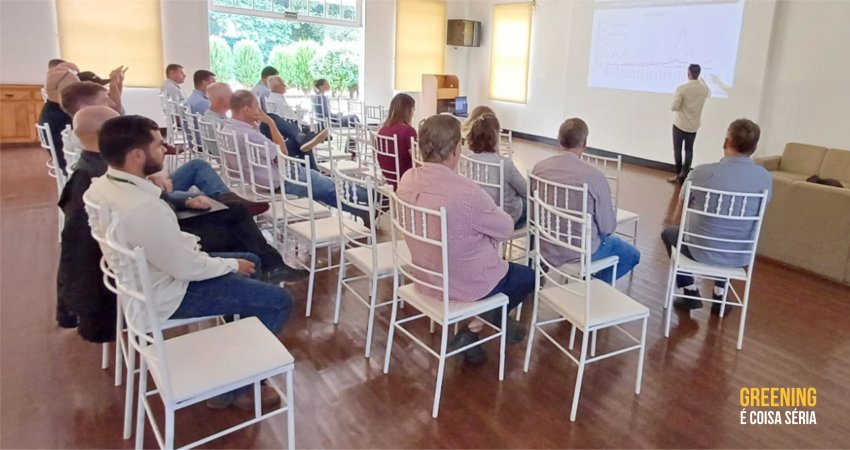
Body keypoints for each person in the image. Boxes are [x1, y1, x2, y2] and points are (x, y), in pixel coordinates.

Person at [86, 114, 293, 409]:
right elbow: (186, 268)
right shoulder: (144, 208)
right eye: (158, 145)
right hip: (169, 291)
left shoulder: (103, 186)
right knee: (279, 299)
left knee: (250, 260)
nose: (164, 149)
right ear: (136, 155)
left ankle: (241, 350)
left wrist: (153, 184)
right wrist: (231, 266)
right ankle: (231, 388)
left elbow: (172, 251)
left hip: (144, 278)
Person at [397, 114, 533, 364]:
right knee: (528, 277)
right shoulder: (465, 192)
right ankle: (476, 326)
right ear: (456, 150)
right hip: (463, 282)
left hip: (424, 275)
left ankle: (475, 330)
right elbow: (505, 230)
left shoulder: (407, 179)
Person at [661, 118, 772, 313]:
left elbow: (683, 201)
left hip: (699, 249)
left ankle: (690, 291)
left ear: (726, 142)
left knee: (669, 234)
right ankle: (720, 293)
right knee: (731, 235)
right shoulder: (764, 177)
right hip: (740, 255)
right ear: (754, 148)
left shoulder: (701, 172)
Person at [222, 90, 368, 223]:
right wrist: (271, 123)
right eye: (257, 107)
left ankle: (364, 211)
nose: (260, 111)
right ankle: (375, 197)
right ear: (247, 110)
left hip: (262, 179)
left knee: (325, 190)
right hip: (284, 178)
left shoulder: (227, 129)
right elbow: (283, 154)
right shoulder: (249, 135)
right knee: (334, 187)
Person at [531, 118, 640, 282]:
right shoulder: (593, 177)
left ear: (559, 139)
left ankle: (588, 285)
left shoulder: (540, 168)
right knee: (632, 254)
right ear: (585, 143)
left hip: (546, 244)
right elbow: (607, 227)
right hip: (579, 250)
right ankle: (594, 287)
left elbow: (534, 213)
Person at [466, 113, 528, 228]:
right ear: (495, 137)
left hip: (478, 214)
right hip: (504, 218)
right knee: (534, 204)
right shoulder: (505, 164)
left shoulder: (468, 159)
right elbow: (527, 190)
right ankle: (536, 245)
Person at [669, 63, 710, 184]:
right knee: (689, 150)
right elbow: (709, 92)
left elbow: (674, 107)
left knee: (677, 150)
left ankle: (678, 175)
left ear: (688, 74)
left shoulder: (682, 89)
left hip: (680, 124)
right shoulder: (704, 90)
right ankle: (685, 176)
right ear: (699, 74)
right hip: (693, 125)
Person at [38, 62, 80, 172]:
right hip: (72, 166)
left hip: (66, 161)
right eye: (74, 87)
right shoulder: (63, 116)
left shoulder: (51, 109)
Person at [377, 93, 417, 188]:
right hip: (405, 177)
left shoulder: (383, 129)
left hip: (388, 176)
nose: (414, 113)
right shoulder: (408, 131)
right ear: (408, 110)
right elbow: (416, 160)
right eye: (413, 109)